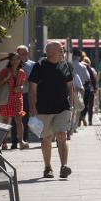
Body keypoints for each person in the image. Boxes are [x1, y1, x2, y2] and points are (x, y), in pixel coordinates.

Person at [29, 41, 74, 178]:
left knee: (62, 135)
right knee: (47, 138)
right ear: (51, 53)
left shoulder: (65, 65)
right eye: (60, 51)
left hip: (62, 108)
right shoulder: (39, 66)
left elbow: (70, 86)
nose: (63, 53)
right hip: (43, 109)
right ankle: (48, 167)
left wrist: (71, 105)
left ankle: (63, 166)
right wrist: (33, 109)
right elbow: (32, 89)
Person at [0, 53, 28, 150]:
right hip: (6, 98)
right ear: (10, 60)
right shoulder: (4, 71)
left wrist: (20, 87)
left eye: (17, 59)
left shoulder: (22, 72)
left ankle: (21, 142)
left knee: (18, 120)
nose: (15, 61)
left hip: (17, 98)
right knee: (5, 121)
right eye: (13, 59)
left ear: (20, 60)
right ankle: (4, 143)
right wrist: (6, 78)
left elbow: (23, 85)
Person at [11, 45, 35, 149]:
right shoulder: (12, 65)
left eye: (25, 54)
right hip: (14, 96)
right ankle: (14, 142)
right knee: (14, 120)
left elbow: (35, 80)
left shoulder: (32, 65)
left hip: (26, 95)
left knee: (25, 119)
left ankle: (24, 139)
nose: (23, 56)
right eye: (21, 54)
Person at [80, 55, 98, 126]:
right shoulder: (92, 69)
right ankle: (90, 121)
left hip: (82, 89)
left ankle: (80, 118)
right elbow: (95, 79)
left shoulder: (82, 68)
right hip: (91, 90)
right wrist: (95, 88)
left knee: (82, 104)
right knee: (90, 106)